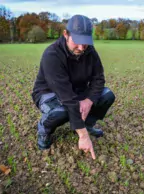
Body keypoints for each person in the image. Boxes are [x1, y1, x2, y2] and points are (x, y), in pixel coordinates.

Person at [31, 14, 115, 160]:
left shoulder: (90, 51)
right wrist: (83, 137)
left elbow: (98, 79)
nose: (81, 48)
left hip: (77, 91)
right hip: (49, 93)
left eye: (85, 42)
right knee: (62, 110)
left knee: (106, 95)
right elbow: (67, 98)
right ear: (65, 34)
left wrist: (88, 101)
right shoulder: (52, 55)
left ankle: (87, 124)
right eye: (77, 41)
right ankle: (44, 129)